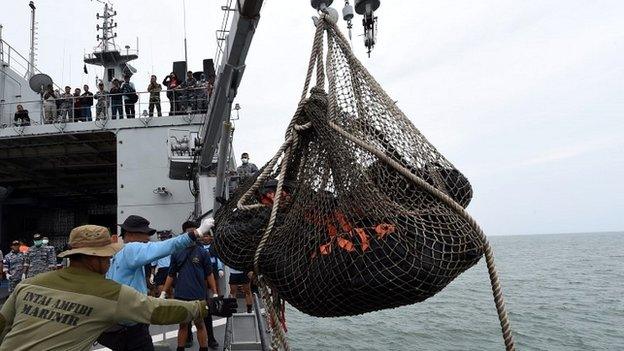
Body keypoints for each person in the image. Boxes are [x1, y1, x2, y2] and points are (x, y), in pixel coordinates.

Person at [0, 225, 237, 351]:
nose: (108, 262)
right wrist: (206, 306)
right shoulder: (108, 293)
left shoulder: (27, 285)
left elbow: (3, 324)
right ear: (95, 258)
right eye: (106, 258)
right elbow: (157, 311)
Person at [97, 215, 215, 351]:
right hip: (132, 329)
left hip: (118, 325)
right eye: (145, 233)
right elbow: (166, 247)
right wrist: (197, 232)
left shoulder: (118, 255)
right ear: (130, 234)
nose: (148, 238)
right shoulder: (132, 249)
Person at [161, 223, 219, 351]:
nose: (193, 234)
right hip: (181, 294)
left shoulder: (203, 252)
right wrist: (163, 292)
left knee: (200, 324)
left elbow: (209, 274)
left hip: (199, 294)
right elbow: (171, 274)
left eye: (195, 231)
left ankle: (203, 348)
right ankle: (180, 348)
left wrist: (214, 292)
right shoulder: (176, 252)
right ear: (184, 234)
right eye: (190, 231)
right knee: (183, 325)